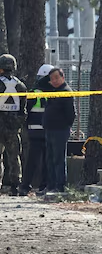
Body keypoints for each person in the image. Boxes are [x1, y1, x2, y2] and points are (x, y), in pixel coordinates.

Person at [20, 64, 54, 195]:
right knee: (47, 160)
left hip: (34, 131)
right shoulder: (54, 93)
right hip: (48, 131)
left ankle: (25, 186)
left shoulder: (33, 92)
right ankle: (43, 186)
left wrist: (26, 126)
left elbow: (26, 111)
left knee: (32, 160)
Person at [43, 67, 75, 194]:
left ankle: (60, 186)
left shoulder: (66, 92)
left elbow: (71, 114)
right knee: (49, 159)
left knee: (58, 159)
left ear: (63, 77)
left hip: (60, 130)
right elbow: (41, 83)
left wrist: (65, 126)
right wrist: (48, 79)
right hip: (49, 129)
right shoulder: (53, 90)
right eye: (52, 79)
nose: (54, 81)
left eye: (57, 77)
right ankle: (50, 185)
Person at [0, 54, 27, 195]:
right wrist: (17, 124)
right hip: (13, 128)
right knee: (14, 157)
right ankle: (15, 186)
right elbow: (23, 110)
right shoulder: (20, 86)